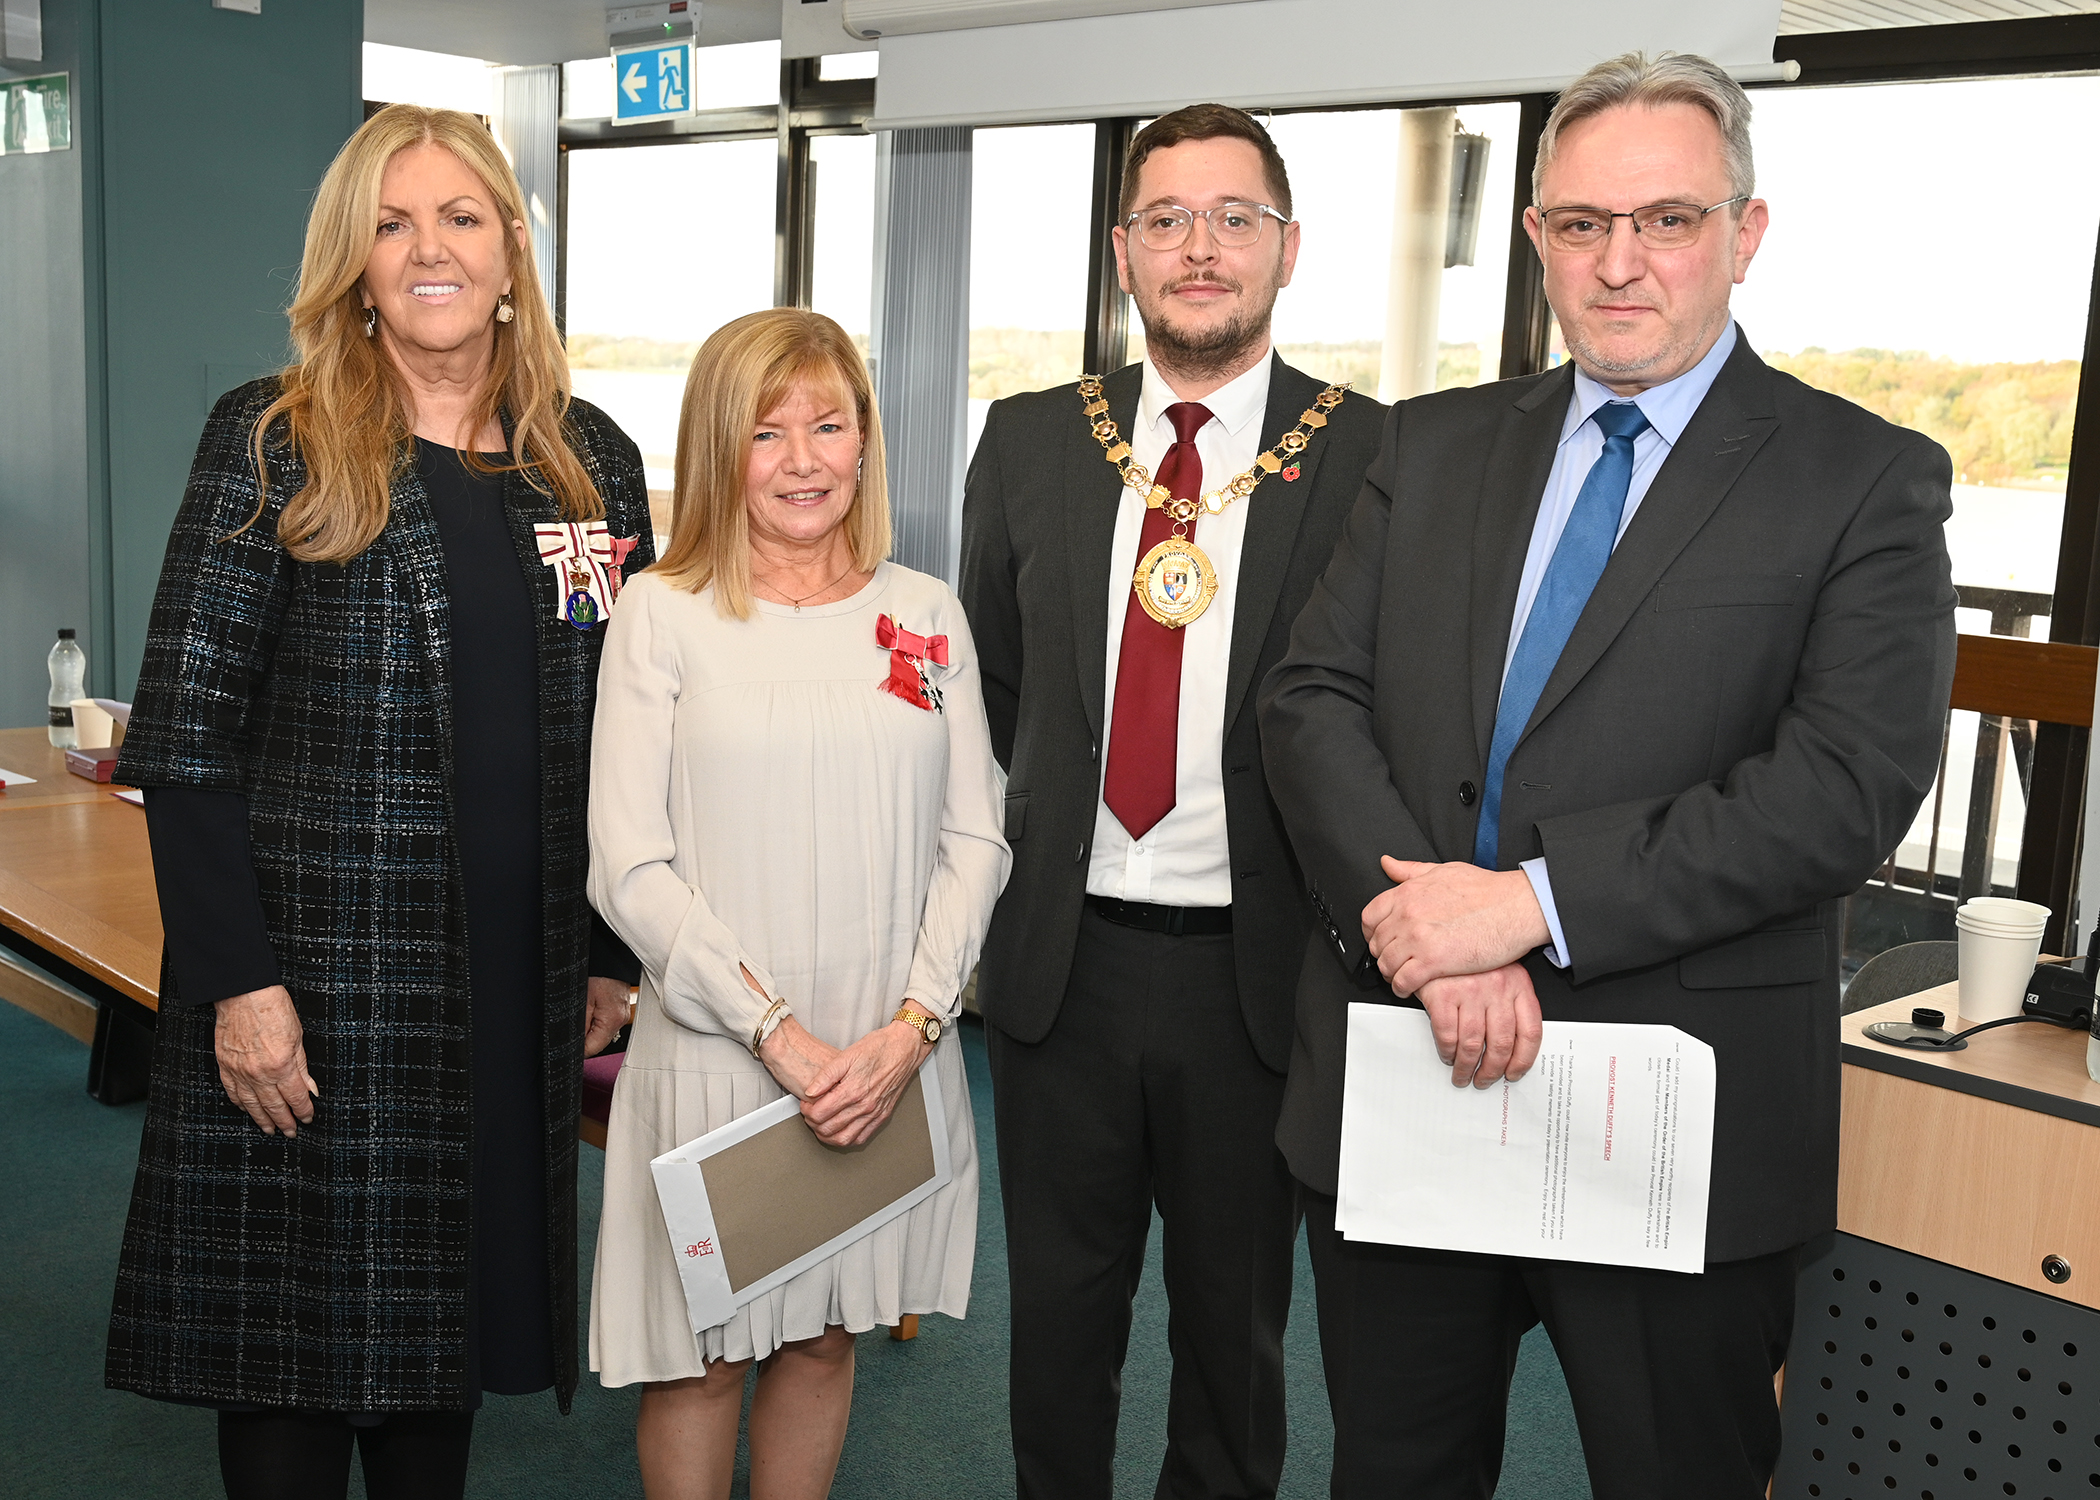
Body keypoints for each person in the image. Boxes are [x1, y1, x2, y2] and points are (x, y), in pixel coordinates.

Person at [1258, 52, 1958, 1498]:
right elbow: (1310, 695)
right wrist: (1437, 948)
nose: (1620, 263)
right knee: (1392, 1473)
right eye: (1582, 225)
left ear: (1745, 233)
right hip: (1416, 1072)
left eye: (1669, 220)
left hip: (1671, 1119)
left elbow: (1840, 787)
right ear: (1536, 240)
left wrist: (1525, 907)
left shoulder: (1862, 479)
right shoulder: (1430, 445)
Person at [104, 105, 652, 1499]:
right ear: (352, 264)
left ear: (511, 252)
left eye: (461, 218)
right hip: (310, 994)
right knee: (289, 1367)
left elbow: (619, 730)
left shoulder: (589, 464)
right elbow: (185, 737)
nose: (428, 251)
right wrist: (235, 985)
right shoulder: (272, 441)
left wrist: (604, 952)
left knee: (439, 1357)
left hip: (504, 990)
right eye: (392, 224)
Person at [958, 105, 1387, 1499]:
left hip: (1256, 985)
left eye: (1233, 218)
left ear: (1288, 247)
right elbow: (998, 693)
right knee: (1057, 1338)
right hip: (1061, 973)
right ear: (1124, 252)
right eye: (1166, 220)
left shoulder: (1376, 455)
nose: (1200, 247)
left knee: (1234, 1344)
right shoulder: (1031, 441)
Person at [588, 307, 1009, 1500]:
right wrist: (775, 1029)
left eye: (830, 425)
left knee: (826, 1336)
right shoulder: (661, 612)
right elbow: (626, 860)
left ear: (867, 442)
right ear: (719, 450)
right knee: (704, 1358)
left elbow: (975, 833)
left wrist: (915, 1026)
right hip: (727, 1050)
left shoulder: (924, 611)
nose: (805, 459)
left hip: (881, 1055)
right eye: (767, 433)